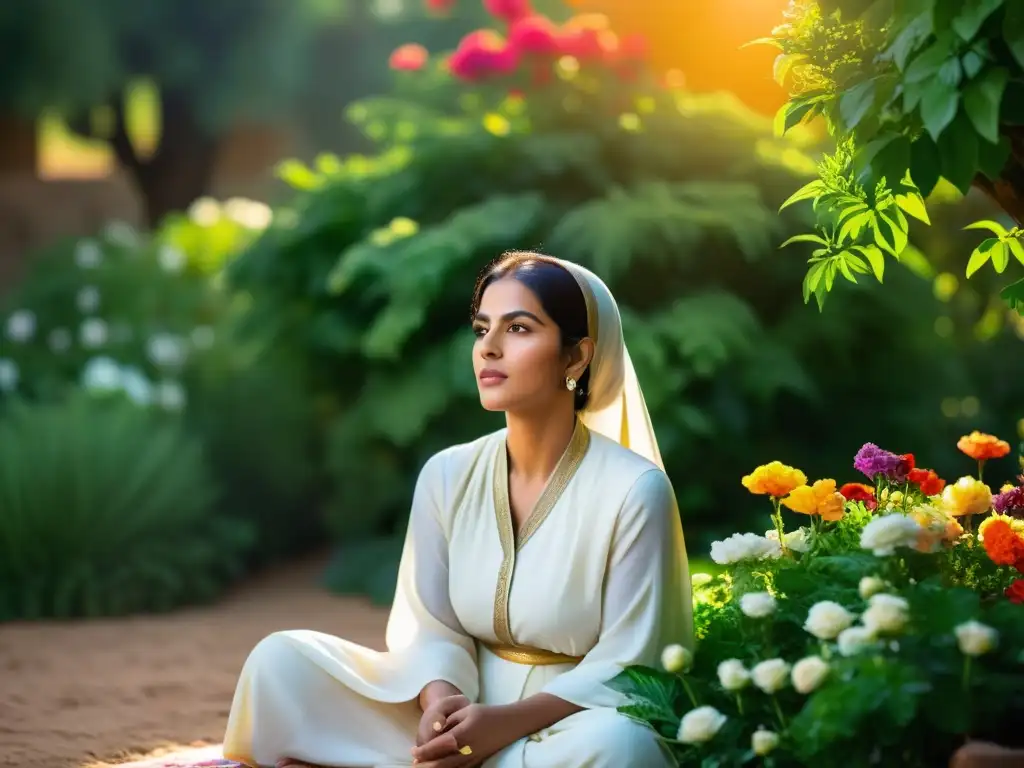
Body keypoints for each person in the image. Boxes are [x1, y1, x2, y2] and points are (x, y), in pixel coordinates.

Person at [222, 252, 694, 768]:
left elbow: (633, 662)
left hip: (569, 725)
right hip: (458, 715)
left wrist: (501, 726)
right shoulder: (448, 474)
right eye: (481, 328)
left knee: (625, 747)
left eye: (518, 328)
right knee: (282, 663)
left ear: (576, 357)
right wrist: (440, 704)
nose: (488, 348)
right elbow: (431, 625)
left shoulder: (634, 489)